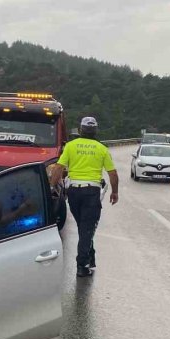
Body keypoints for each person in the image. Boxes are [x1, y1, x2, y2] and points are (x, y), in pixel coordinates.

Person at [49, 116, 119, 277]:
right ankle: (82, 265)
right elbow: (113, 174)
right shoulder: (101, 148)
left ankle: (90, 257)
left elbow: (58, 168)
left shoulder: (71, 146)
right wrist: (115, 192)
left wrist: (52, 187)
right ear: (95, 131)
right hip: (91, 193)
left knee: (84, 227)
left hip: (73, 193)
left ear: (80, 130)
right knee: (87, 229)